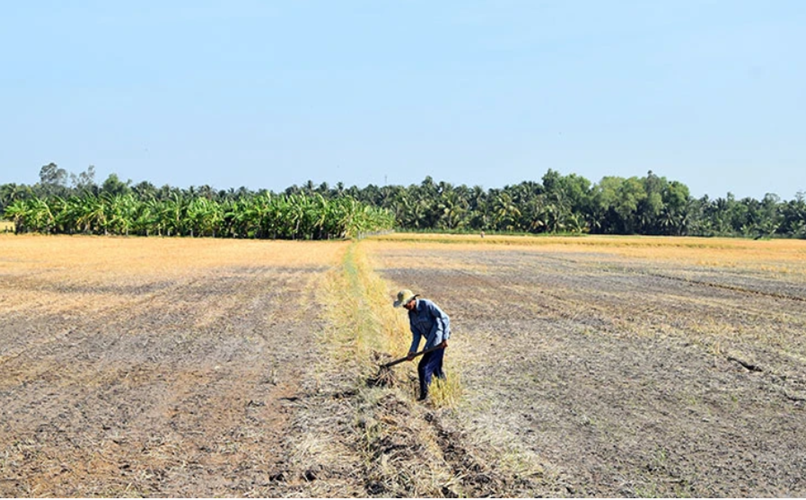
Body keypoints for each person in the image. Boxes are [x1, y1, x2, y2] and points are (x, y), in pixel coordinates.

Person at [393, 289, 450, 401]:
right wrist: (412, 351)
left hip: (438, 341)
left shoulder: (427, 305)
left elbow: (445, 317)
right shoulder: (411, 315)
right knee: (436, 368)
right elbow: (416, 334)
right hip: (430, 341)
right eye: (403, 305)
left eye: (406, 303)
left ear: (412, 300)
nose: (404, 306)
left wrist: (445, 338)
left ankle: (425, 396)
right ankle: (444, 391)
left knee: (423, 367)